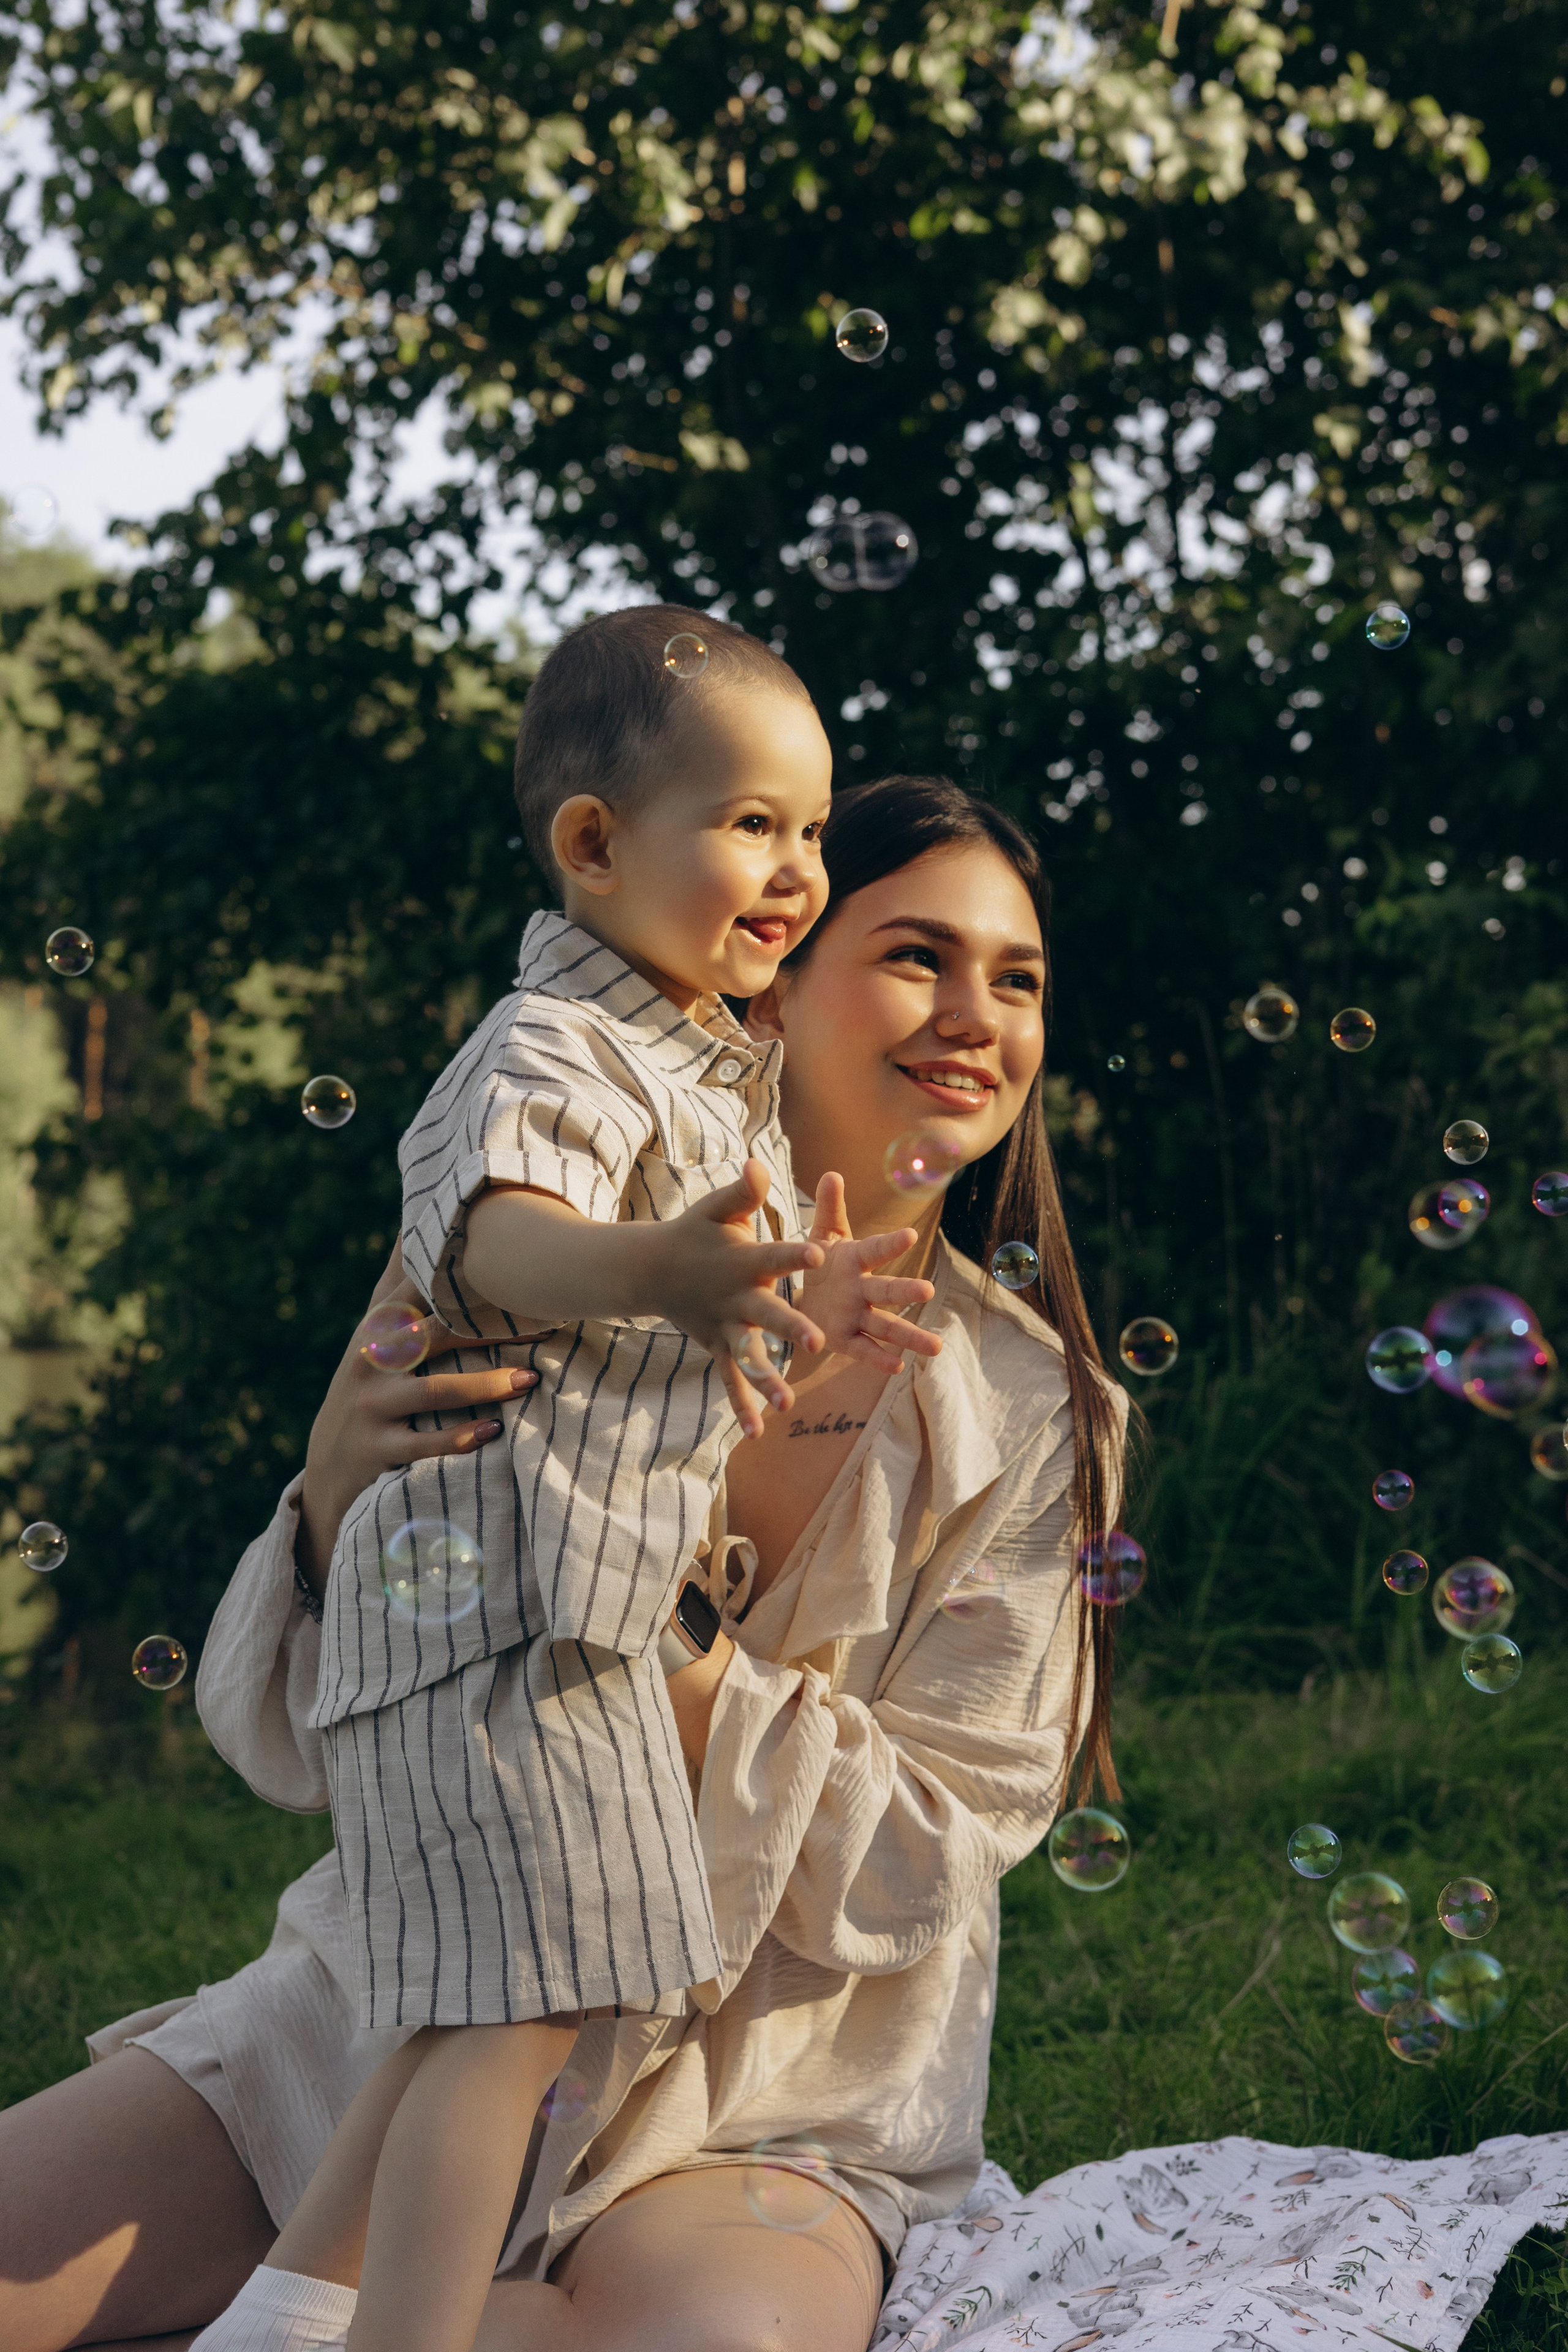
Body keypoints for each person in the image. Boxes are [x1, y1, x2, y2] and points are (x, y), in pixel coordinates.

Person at [0, 775, 1126, 2352]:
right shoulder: (532, 1254)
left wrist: (654, 1641)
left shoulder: (1031, 1411)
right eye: (917, 956)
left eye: (1016, 980)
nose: (975, 1017)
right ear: (774, 973)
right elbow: (308, 1740)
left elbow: (927, 1848)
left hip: (763, 2103)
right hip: (409, 2009)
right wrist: (330, 1504)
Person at [200, 608, 940, 2352]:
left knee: (493, 1999)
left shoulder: (700, 1064)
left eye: (814, 830)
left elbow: (665, 1323)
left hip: (558, 1610)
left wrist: (782, 1300)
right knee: (528, 2010)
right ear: (594, 845)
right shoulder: (555, 1046)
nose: (795, 868)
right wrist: (669, 1272)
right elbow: (503, 1238)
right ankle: (410, 2338)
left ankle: (290, 2317)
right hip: (498, 1604)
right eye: (751, 822)